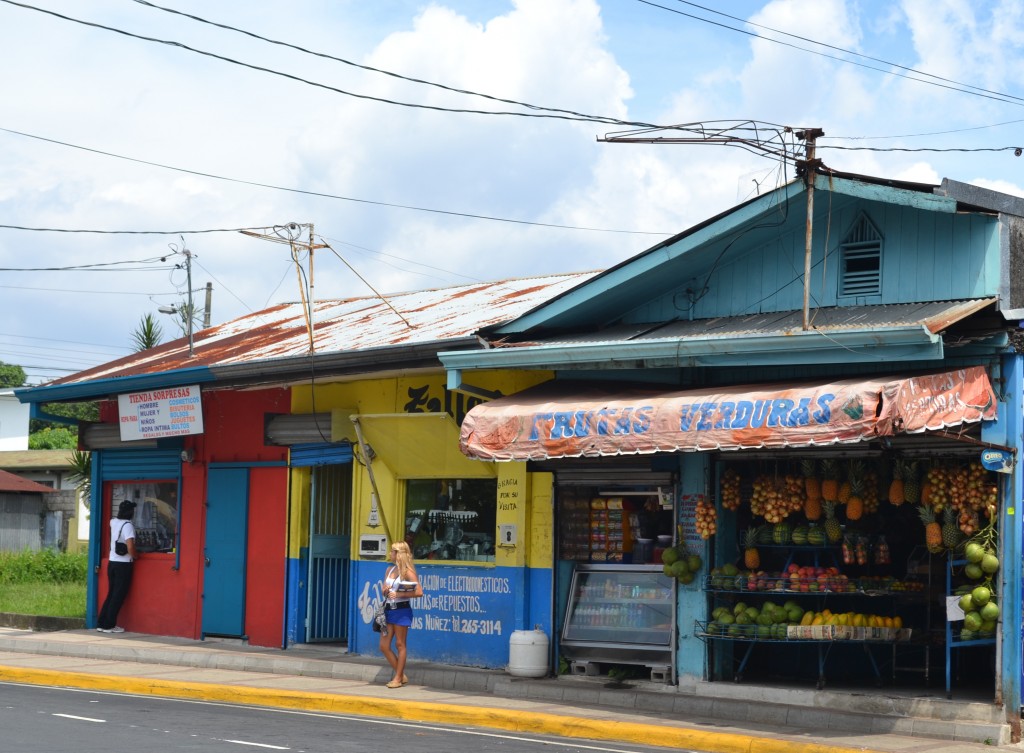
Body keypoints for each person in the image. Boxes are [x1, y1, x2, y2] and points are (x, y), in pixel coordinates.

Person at [378, 541, 423, 688]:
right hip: (388, 610)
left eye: (392, 551)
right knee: (384, 645)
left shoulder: (408, 572)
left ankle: (397, 677)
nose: (390, 554)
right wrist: (385, 589)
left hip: (401, 610)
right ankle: (401, 674)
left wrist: (398, 593)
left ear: (399, 554)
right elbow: (384, 588)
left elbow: (419, 592)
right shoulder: (389, 570)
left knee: (400, 644)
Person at [97, 499, 139, 633]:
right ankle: (109, 625)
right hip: (124, 565)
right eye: (132, 510)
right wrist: (136, 556)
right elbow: (130, 546)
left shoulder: (113, 522)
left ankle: (102, 623)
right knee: (118, 595)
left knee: (111, 594)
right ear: (130, 512)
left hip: (112, 562)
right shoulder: (128, 525)